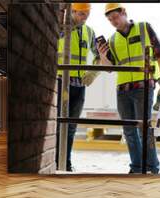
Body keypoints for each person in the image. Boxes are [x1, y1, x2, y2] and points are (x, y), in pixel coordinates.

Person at [97, 3, 160, 174]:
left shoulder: (144, 27)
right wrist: (102, 57)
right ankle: (136, 167)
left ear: (123, 12)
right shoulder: (113, 40)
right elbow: (110, 68)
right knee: (128, 130)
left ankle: (152, 167)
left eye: (115, 17)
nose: (113, 22)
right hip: (122, 90)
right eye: (109, 20)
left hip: (143, 87)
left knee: (144, 129)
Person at [56, 3, 100, 171]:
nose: (85, 17)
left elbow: (99, 56)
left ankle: (66, 163)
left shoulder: (89, 32)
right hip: (61, 82)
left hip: (79, 86)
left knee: (72, 126)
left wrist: (92, 74)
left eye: (87, 14)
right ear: (72, 11)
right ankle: (55, 162)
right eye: (82, 14)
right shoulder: (62, 29)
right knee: (59, 124)